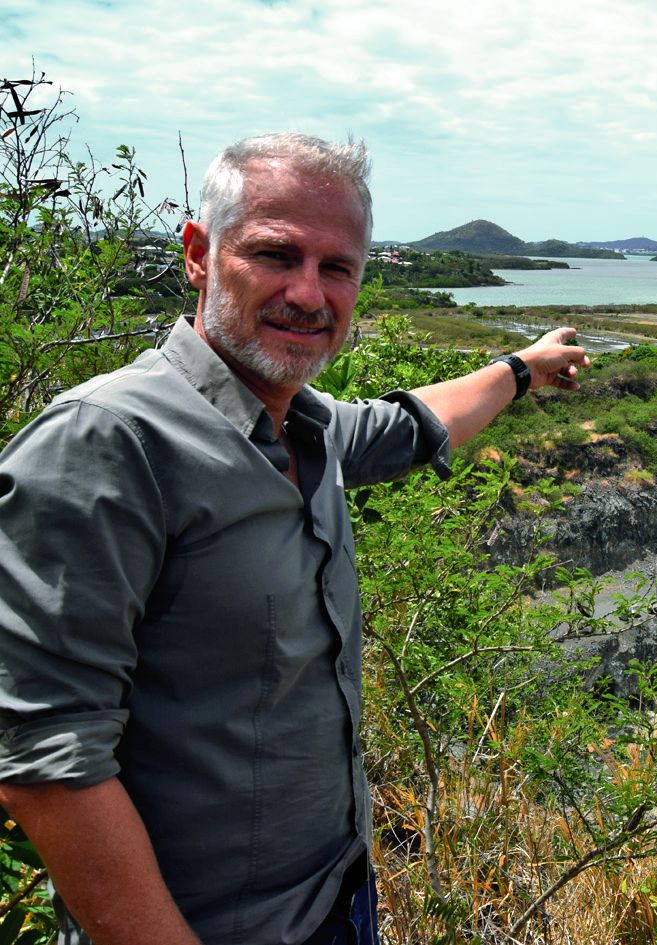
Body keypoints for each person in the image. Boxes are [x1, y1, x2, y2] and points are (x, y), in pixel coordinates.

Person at [0, 133, 590, 945]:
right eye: (276, 255)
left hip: (339, 899)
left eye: (337, 267)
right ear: (200, 255)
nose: (308, 294)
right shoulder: (108, 441)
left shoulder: (308, 427)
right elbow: (46, 761)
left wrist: (521, 368)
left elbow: (413, 424)